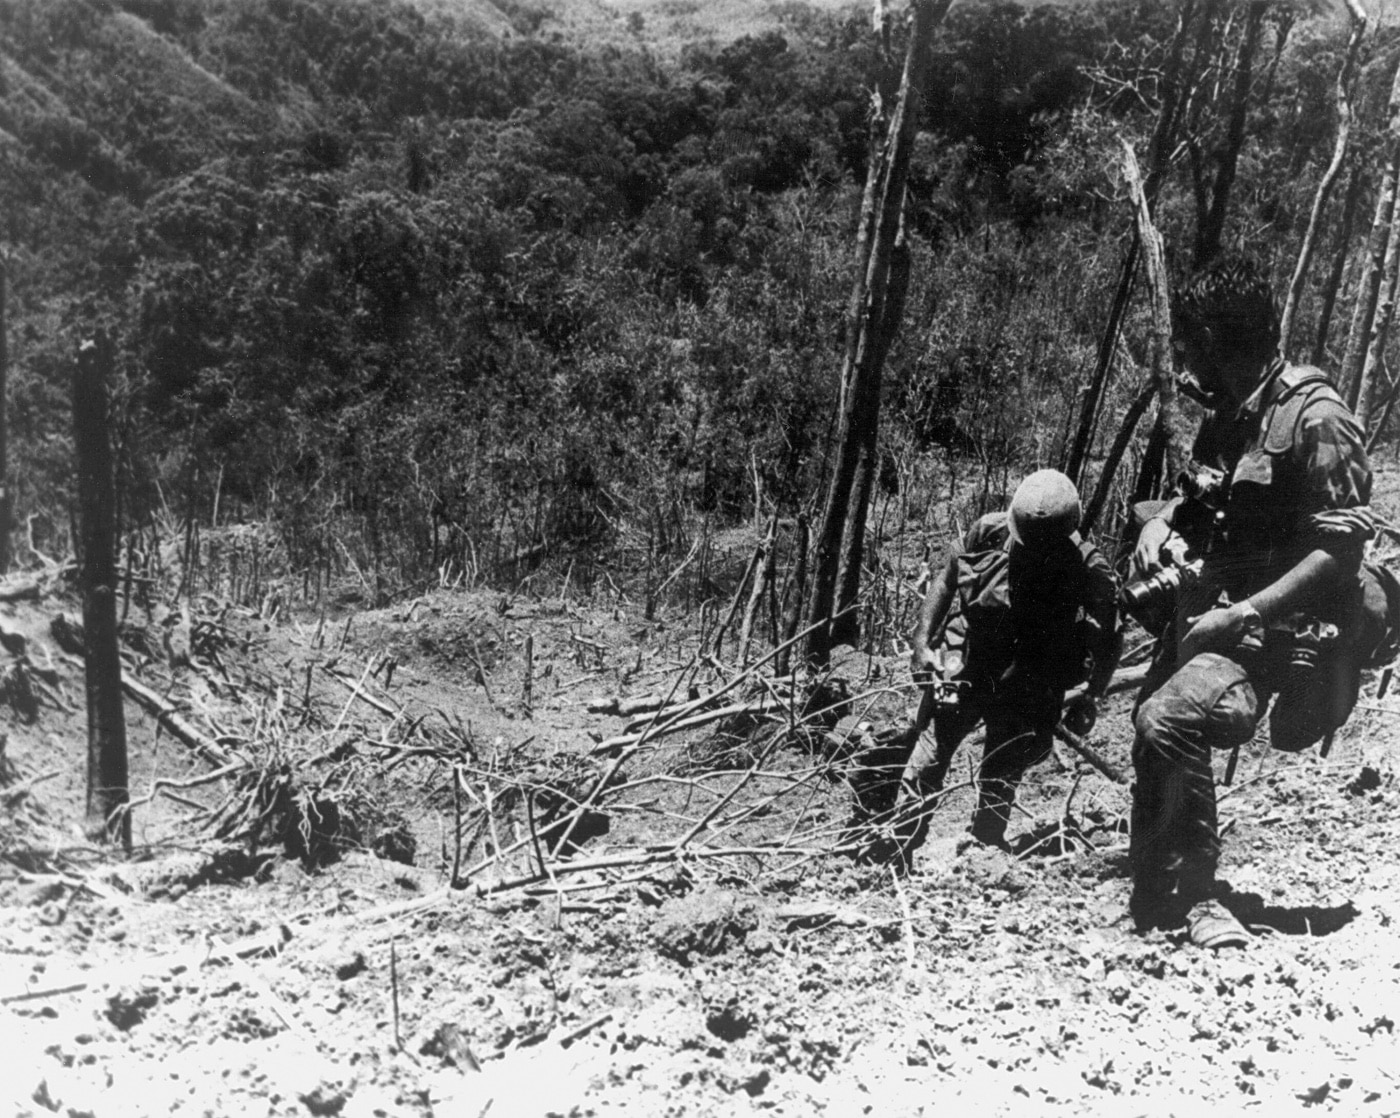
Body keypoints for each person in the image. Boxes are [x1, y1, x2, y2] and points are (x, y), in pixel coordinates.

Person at [1127, 256, 1375, 943]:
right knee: (1149, 726)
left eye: (1194, 344)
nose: (1185, 361)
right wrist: (1159, 525)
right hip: (1218, 613)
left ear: (1223, 339)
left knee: (1168, 719)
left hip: (1277, 630)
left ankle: (1198, 896)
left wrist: (1244, 613)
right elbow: (1199, 501)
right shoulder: (1231, 418)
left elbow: (1339, 553)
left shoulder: (1318, 418)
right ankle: (1152, 883)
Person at [895, 469, 1119, 855]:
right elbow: (947, 580)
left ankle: (984, 853)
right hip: (968, 660)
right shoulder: (989, 532)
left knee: (1002, 769)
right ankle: (899, 843)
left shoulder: (1087, 567)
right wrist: (920, 642)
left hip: (1027, 678)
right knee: (931, 754)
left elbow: (1110, 635)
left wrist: (1091, 696)